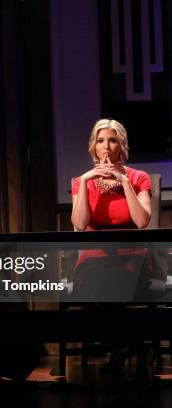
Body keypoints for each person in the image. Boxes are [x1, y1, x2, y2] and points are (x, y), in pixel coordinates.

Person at [70, 118, 162, 380]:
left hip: (132, 255)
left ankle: (121, 350)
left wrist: (124, 182)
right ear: (93, 147)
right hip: (94, 258)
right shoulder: (82, 182)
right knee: (94, 279)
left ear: (122, 145)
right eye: (100, 141)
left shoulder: (138, 178)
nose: (106, 146)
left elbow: (142, 221)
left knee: (113, 284)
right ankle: (133, 346)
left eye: (112, 140)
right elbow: (79, 223)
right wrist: (87, 181)